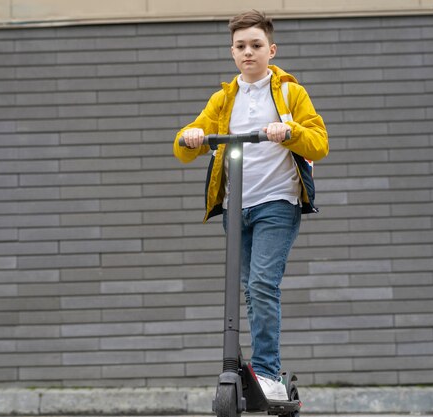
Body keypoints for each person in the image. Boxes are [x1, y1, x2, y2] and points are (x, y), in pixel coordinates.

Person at [173, 10, 329, 401]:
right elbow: (182, 148)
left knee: (261, 284)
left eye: (256, 45)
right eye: (241, 46)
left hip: (277, 201)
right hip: (235, 205)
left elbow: (319, 143)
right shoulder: (224, 99)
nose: (248, 52)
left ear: (271, 50)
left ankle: (267, 374)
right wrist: (190, 135)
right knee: (248, 289)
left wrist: (289, 131)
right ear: (232, 52)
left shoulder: (291, 93)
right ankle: (248, 372)